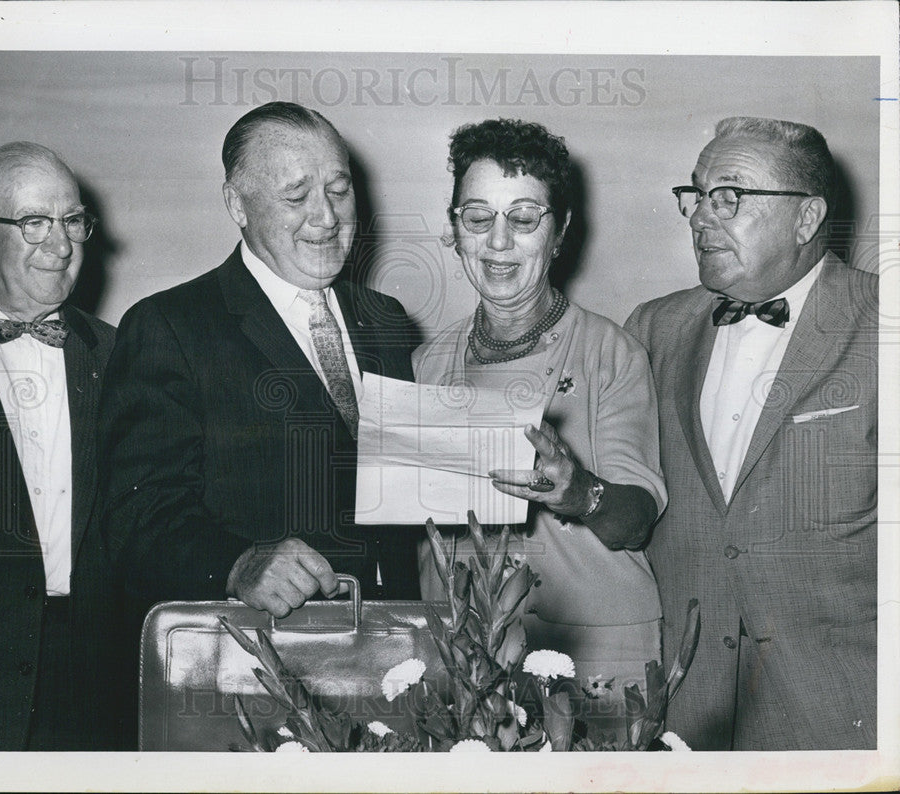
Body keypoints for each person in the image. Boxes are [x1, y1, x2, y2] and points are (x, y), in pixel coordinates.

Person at [99, 102, 421, 628]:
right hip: (255, 663)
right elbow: (136, 520)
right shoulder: (169, 326)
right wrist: (236, 564)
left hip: (396, 647)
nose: (326, 217)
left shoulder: (384, 318)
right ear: (238, 204)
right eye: (296, 196)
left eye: (339, 191)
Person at [625, 116, 877, 750]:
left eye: (730, 196)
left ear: (806, 217)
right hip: (684, 723)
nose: (701, 218)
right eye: (698, 195)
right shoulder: (652, 329)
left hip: (843, 722)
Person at [415, 118, 667, 743]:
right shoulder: (428, 364)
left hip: (594, 655)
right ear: (453, 230)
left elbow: (637, 518)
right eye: (478, 217)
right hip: (467, 657)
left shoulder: (612, 351)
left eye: (524, 218)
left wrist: (579, 491)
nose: (499, 242)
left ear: (559, 233)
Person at [0, 142, 123, 750]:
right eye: (35, 223)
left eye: (73, 222)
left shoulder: (121, 356)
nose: (62, 247)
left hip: (94, 684)